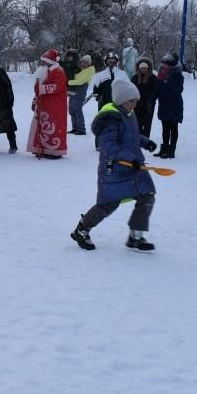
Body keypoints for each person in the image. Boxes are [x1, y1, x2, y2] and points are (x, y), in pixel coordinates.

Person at [70, 78, 158, 252]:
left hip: (132, 167)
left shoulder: (128, 115)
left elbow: (130, 137)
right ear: (122, 100)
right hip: (114, 170)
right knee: (107, 205)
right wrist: (128, 158)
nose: (135, 104)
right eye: (131, 101)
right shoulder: (111, 119)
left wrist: (145, 142)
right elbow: (108, 145)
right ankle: (82, 229)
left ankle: (136, 236)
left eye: (136, 101)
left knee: (147, 196)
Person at [27, 48, 68, 159]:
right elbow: (38, 90)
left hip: (55, 106)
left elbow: (57, 87)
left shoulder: (58, 71)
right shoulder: (44, 72)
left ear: (50, 62)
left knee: (53, 126)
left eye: (44, 61)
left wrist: (40, 88)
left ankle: (54, 151)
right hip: (44, 104)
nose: (42, 64)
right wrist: (35, 100)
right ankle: (41, 148)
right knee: (42, 126)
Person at [155, 53, 184, 159]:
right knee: (164, 127)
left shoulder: (177, 75)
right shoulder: (160, 74)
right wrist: (152, 99)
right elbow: (157, 88)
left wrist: (168, 79)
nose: (163, 66)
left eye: (165, 64)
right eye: (163, 63)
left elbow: (179, 89)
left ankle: (171, 150)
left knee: (173, 127)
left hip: (174, 104)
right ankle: (164, 148)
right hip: (164, 103)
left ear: (171, 65)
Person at [66, 54, 94, 135]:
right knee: (72, 111)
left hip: (80, 93)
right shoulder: (80, 70)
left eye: (86, 62)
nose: (84, 63)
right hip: (73, 92)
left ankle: (81, 129)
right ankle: (75, 128)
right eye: (83, 62)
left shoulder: (89, 71)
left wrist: (68, 82)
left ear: (89, 63)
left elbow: (80, 81)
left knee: (77, 111)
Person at [131, 56, 158, 139]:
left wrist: (152, 99)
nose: (143, 70)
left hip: (149, 103)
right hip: (137, 103)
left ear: (148, 68)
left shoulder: (153, 78)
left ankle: (146, 137)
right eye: (142, 68)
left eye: (145, 68)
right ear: (139, 68)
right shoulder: (135, 77)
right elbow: (131, 89)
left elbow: (156, 91)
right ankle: (138, 136)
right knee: (137, 120)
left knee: (147, 121)